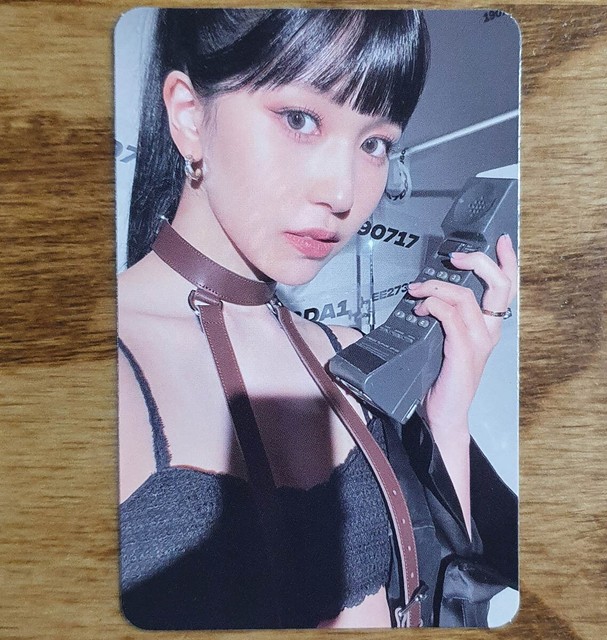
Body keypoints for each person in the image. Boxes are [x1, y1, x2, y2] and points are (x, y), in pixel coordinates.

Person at [117, 8, 518, 630]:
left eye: (375, 144)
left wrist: (446, 413)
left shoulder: (351, 356)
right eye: (300, 120)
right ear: (191, 116)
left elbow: (451, 599)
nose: (342, 193)